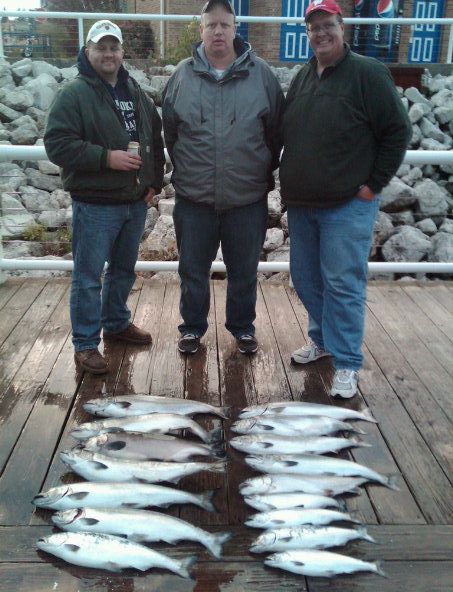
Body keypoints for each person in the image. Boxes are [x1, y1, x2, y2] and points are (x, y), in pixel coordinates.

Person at [280, 0, 411, 398]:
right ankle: (322, 341)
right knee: (306, 279)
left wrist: (373, 185)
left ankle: (347, 362)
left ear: (342, 27)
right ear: (307, 33)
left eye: (328, 25)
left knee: (343, 284)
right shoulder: (304, 75)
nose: (321, 33)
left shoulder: (368, 73)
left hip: (347, 205)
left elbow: (398, 131)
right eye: (313, 27)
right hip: (303, 204)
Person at [162, 0, 284, 355]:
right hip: (194, 200)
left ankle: (243, 328)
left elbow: (275, 132)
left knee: (244, 272)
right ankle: (191, 329)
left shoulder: (261, 75)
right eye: (211, 25)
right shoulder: (181, 76)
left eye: (224, 25)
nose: (218, 31)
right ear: (201, 29)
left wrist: (257, 173)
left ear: (234, 29)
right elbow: (171, 132)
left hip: (246, 200)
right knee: (192, 271)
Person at [44, 20, 165, 374]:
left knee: (123, 271)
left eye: (114, 47)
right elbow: (57, 144)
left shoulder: (135, 90)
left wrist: (154, 181)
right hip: (95, 204)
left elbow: (154, 137)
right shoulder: (73, 94)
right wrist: (105, 158)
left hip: (134, 201)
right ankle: (85, 344)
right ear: (88, 51)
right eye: (101, 47)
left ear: (122, 52)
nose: (108, 53)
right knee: (88, 276)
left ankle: (116, 322)